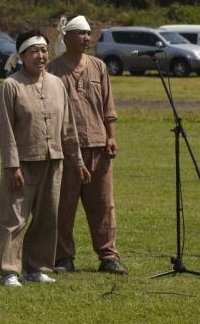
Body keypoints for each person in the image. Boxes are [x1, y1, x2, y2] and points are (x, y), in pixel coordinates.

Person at [0, 30, 90, 287]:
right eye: (34, 51)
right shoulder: (10, 86)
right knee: (14, 218)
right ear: (21, 55)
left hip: (54, 160)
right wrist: (12, 165)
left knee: (48, 217)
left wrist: (77, 160)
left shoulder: (57, 84)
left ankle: (36, 267)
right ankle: (9, 271)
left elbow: (68, 127)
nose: (40, 55)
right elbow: (5, 132)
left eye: (44, 50)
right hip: (22, 163)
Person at [47, 15, 128, 274]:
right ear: (66, 37)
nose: (87, 38)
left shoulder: (99, 66)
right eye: (81, 33)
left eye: (89, 33)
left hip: (97, 145)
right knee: (63, 205)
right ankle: (63, 258)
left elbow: (108, 106)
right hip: (66, 149)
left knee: (103, 204)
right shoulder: (52, 70)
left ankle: (108, 257)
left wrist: (111, 136)